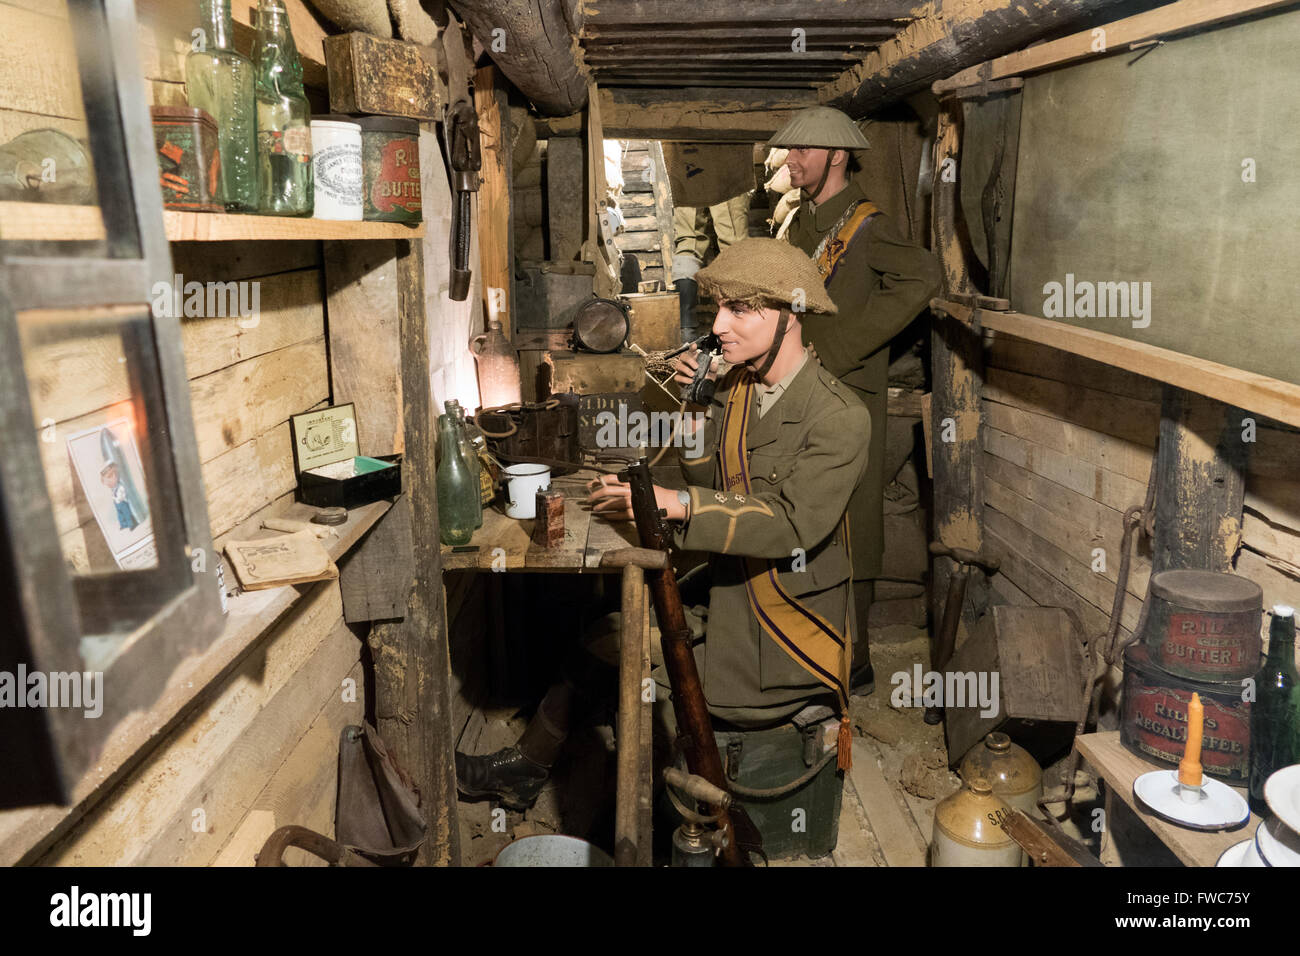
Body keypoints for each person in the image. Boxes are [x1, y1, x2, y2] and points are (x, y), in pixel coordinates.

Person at [454, 238, 869, 809]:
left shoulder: (841, 417)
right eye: (718, 308)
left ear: (788, 316)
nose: (719, 324)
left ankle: (644, 811)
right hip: (728, 590)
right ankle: (532, 769)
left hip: (777, 630)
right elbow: (709, 478)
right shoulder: (740, 387)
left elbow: (790, 526)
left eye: (738, 309)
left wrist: (678, 505)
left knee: (621, 667)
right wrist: (696, 400)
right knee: (599, 638)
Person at [769, 106, 942, 696]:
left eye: (802, 152)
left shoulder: (867, 225)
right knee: (799, 506)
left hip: (848, 393)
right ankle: (805, 638)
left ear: (836, 157)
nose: (790, 161)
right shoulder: (800, 223)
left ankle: (857, 655)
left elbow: (923, 278)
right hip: (800, 390)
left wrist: (844, 347)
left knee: (853, 520)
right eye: (789, 152)